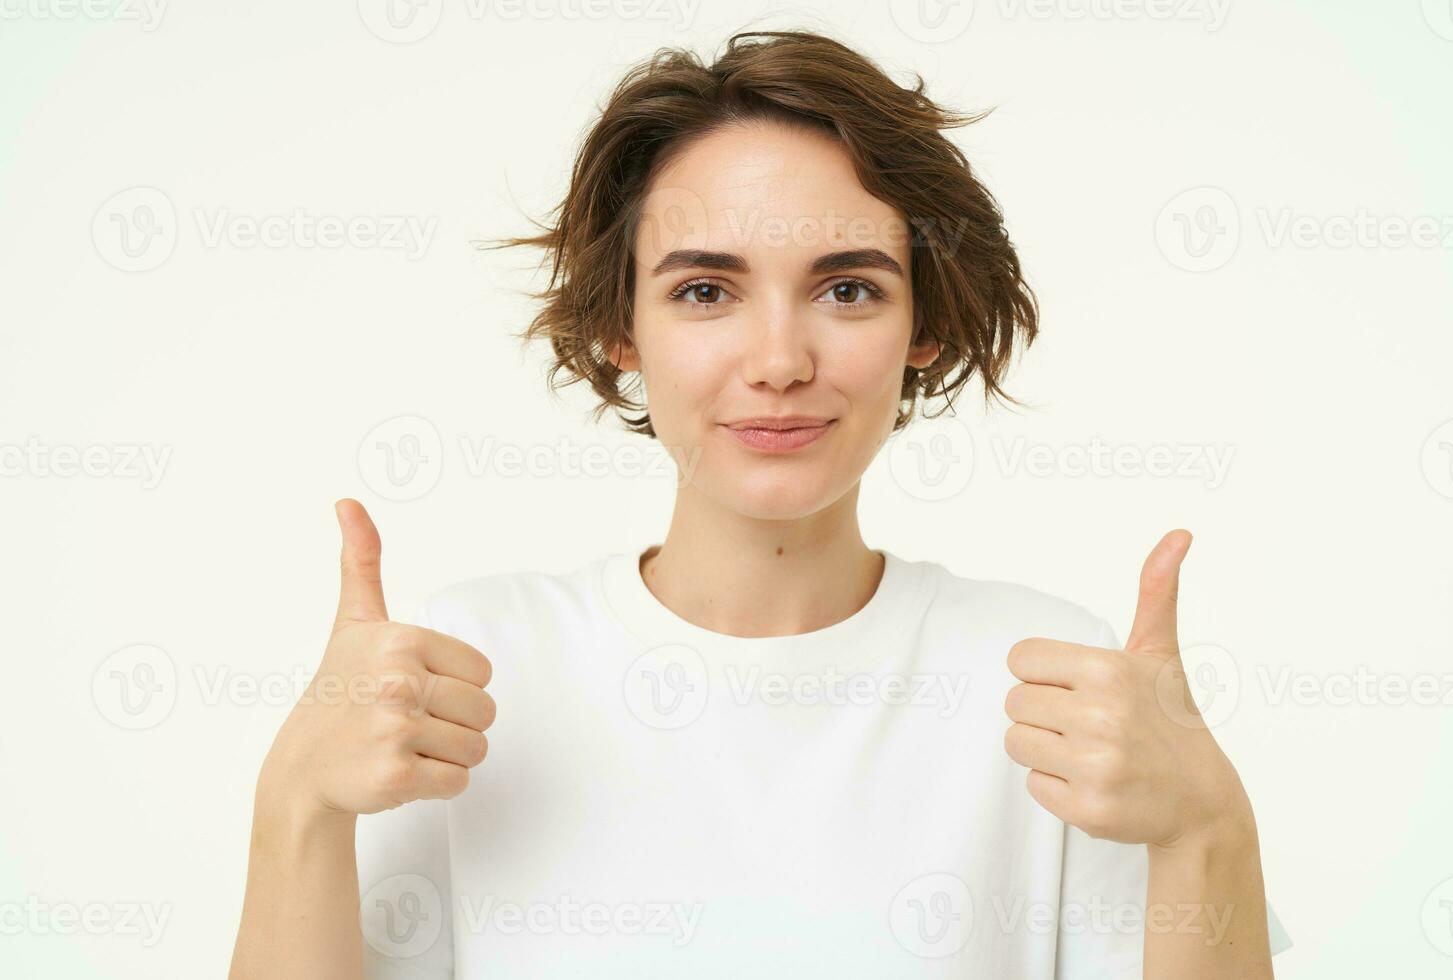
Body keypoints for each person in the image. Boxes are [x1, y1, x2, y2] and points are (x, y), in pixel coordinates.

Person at [228, 29, 1289, 978]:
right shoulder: (464, 671)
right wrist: (296, 807)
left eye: (848, 287)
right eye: (704, 290)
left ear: (924, 322)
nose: (780, 360)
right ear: (620, 329)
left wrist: (1211, 828)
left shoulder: (1051, 678)